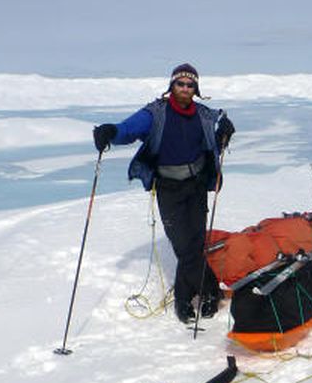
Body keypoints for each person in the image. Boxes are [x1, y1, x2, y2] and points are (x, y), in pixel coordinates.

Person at [92, 63, 235, 324]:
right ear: (172, 86)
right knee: (183, 245)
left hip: (196, 185)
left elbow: (220, 122)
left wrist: (225, 128)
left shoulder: (202, 114)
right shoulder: (155, 113)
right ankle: (207, 293)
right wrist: (110, 132)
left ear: (196, 89)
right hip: (169, 188)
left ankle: (189, 297)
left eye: (190, 85)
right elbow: (128, 129)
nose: (184, 88)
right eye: (180, 84)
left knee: (194, 243)